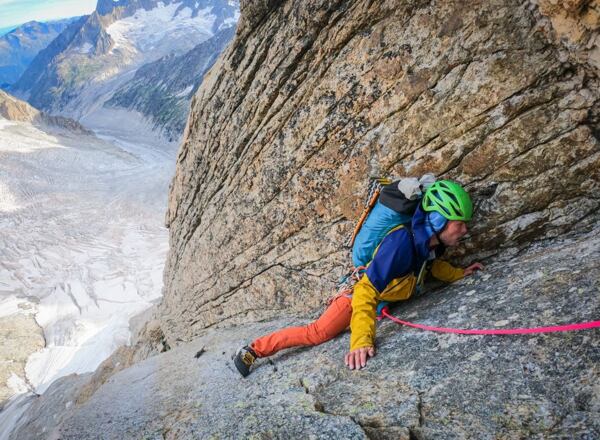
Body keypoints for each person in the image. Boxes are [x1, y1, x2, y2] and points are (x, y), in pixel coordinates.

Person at [234, 180, 483, 377]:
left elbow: (429, 266)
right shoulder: (401, 244)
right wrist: (361, 341)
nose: (465, 230)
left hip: (380, 297)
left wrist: (458, 274)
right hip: (354, 298)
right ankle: (253, 350)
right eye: (459, 224)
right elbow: (365, 291)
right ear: (438, 220)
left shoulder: (427, 243)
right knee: (317, 333)